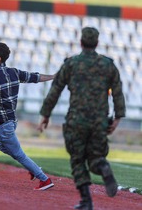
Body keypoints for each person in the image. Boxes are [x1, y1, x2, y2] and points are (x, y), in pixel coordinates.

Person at [38, 27, 126, 210]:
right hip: (99, 120)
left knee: (77, 160)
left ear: (81, 42)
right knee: (96, 157)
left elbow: (55, 90)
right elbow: (117, 92)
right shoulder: (108, 65)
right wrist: (117, 118)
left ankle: (86, 201)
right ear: (97, 43)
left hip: (76, 120)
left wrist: (46, 114)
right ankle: (102, 167)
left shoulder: (71, 64)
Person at [0, 42, 55, 191]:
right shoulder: (14, 72)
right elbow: (35, 77)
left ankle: (44, 179)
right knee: (2, 147)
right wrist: (54, 76)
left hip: (3, 124)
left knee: (18, 154)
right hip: (12, 121)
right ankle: (32, 167)